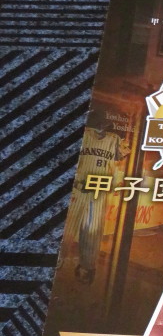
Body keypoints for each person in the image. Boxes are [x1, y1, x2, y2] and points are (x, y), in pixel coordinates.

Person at [63, 117, 123, 284]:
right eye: (100, 124)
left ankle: (87, 267)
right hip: (77, 186)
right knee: (66, 228)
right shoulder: (83, 134)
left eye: (105, 125)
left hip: (98, 188)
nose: (102, 128)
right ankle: (56, 262)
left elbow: (121, 158)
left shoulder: (114, 139)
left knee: (92, 230)